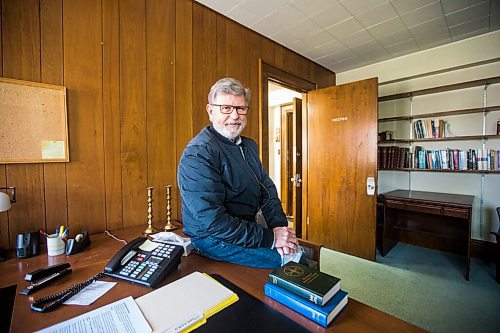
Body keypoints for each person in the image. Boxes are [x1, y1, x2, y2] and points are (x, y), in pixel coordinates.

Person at [177, 77, 298, 268]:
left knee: (294, 250)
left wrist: (280, 227)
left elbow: (267, 190)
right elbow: (213, 222)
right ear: (210, 111)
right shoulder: (198, 153)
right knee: (292, 262)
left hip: (244, 229)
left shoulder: (249, 146)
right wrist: (271, 238)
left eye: (240, 108)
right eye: (226, 108)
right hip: (212, 238)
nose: (234, 116)